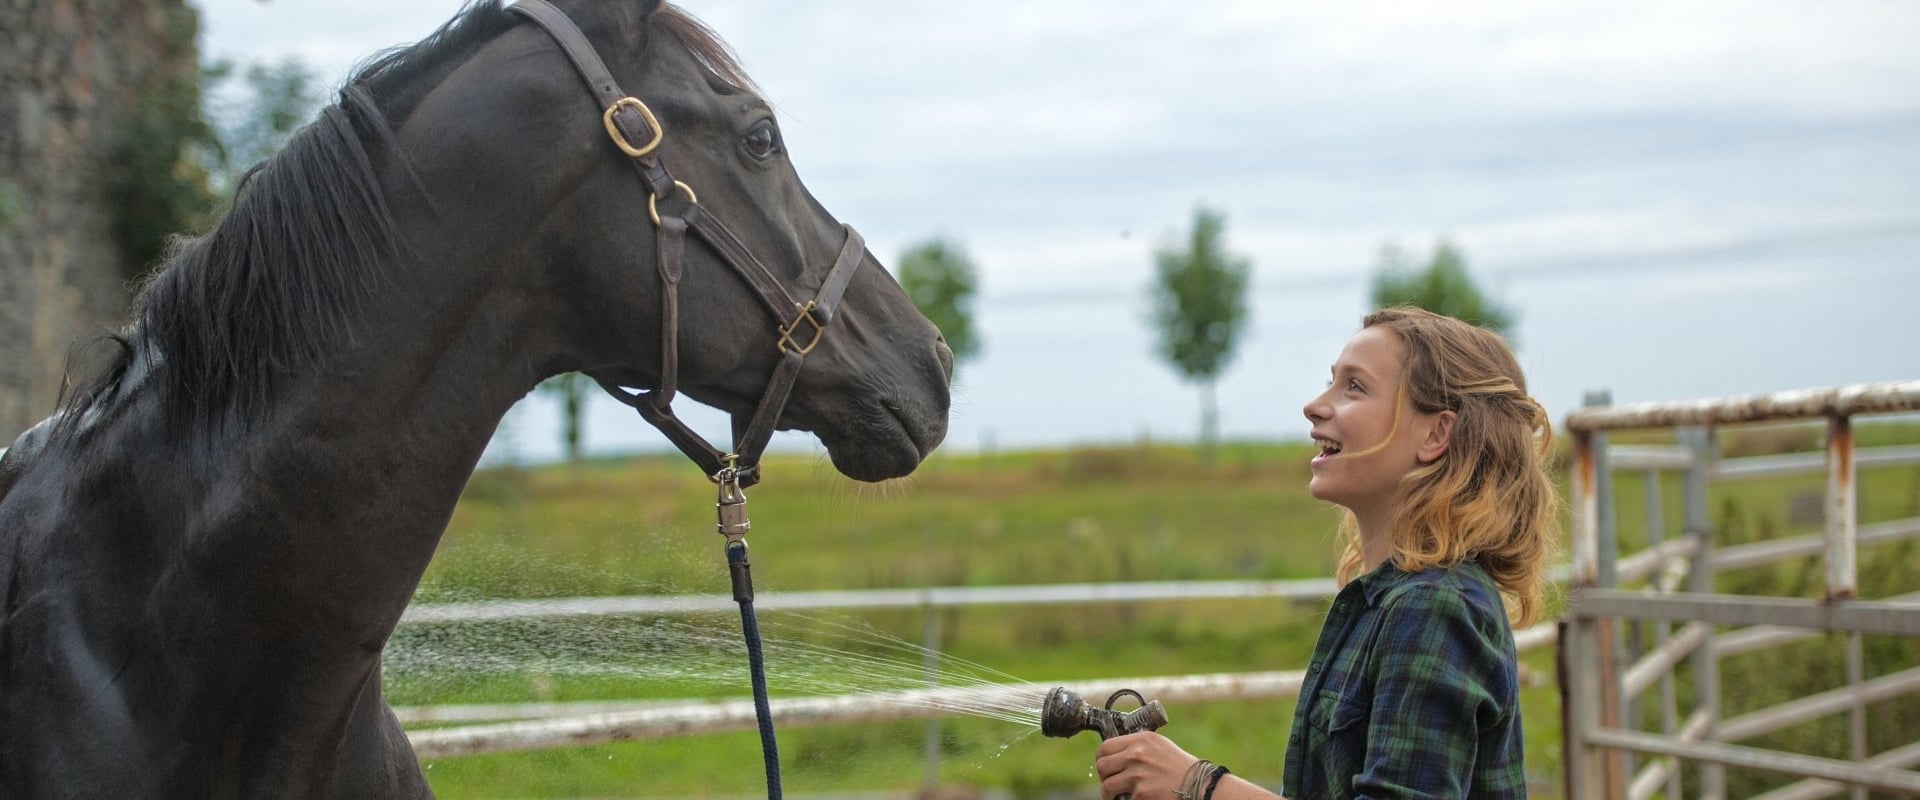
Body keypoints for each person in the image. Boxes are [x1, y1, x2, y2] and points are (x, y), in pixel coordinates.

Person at [1093, 307, 1560, 800]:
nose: (1314, 406)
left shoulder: (1434, 606)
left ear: (1436, 434)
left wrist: (1199, 786)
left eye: (1355, 387)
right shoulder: (1392, 598)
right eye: (1331, 382)